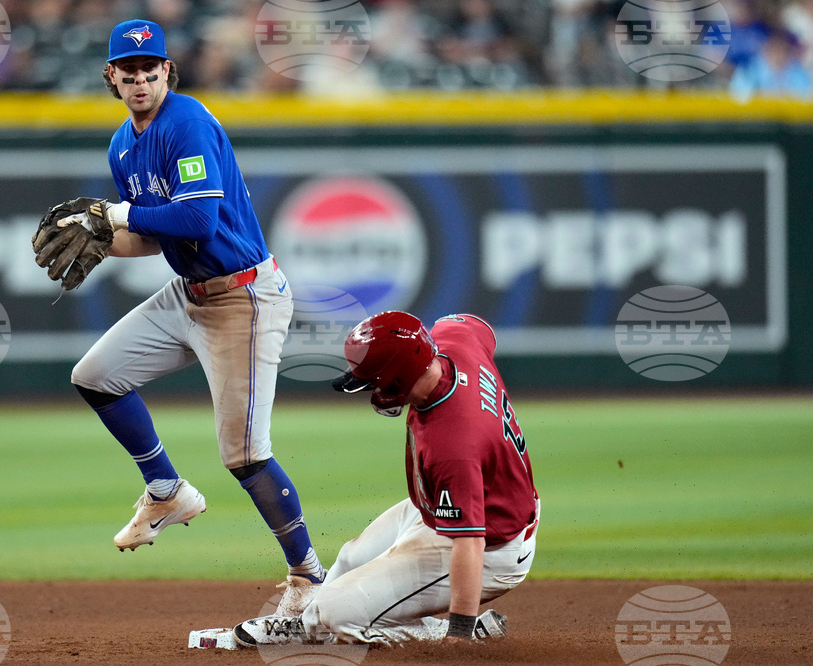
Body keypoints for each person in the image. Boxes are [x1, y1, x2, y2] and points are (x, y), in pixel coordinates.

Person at [65, 19, 326, 616]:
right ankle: (166, 490)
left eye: (150, 70)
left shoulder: (186, 121)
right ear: (112, 76)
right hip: (189, 293)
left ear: (167, 71)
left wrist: (117, 212)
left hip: (243, 297)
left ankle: (308, 576)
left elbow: (198, 221)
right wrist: (103, 237)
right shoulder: (121, 145)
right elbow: (153, 237)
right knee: (95, 374)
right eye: (128, 72)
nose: (140, 80)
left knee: (244, 455)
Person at [234, 311, 540, 645]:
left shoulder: (453, 442)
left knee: (337, 613)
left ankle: (451, 631)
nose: (372, 390)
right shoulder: (455, 341)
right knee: (351, 558)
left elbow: (470, 542)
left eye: (374, 380)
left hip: (491, 546)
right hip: (454, 504)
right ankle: (309, 617)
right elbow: (474, 324)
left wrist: (460, 630)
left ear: (398, 375)